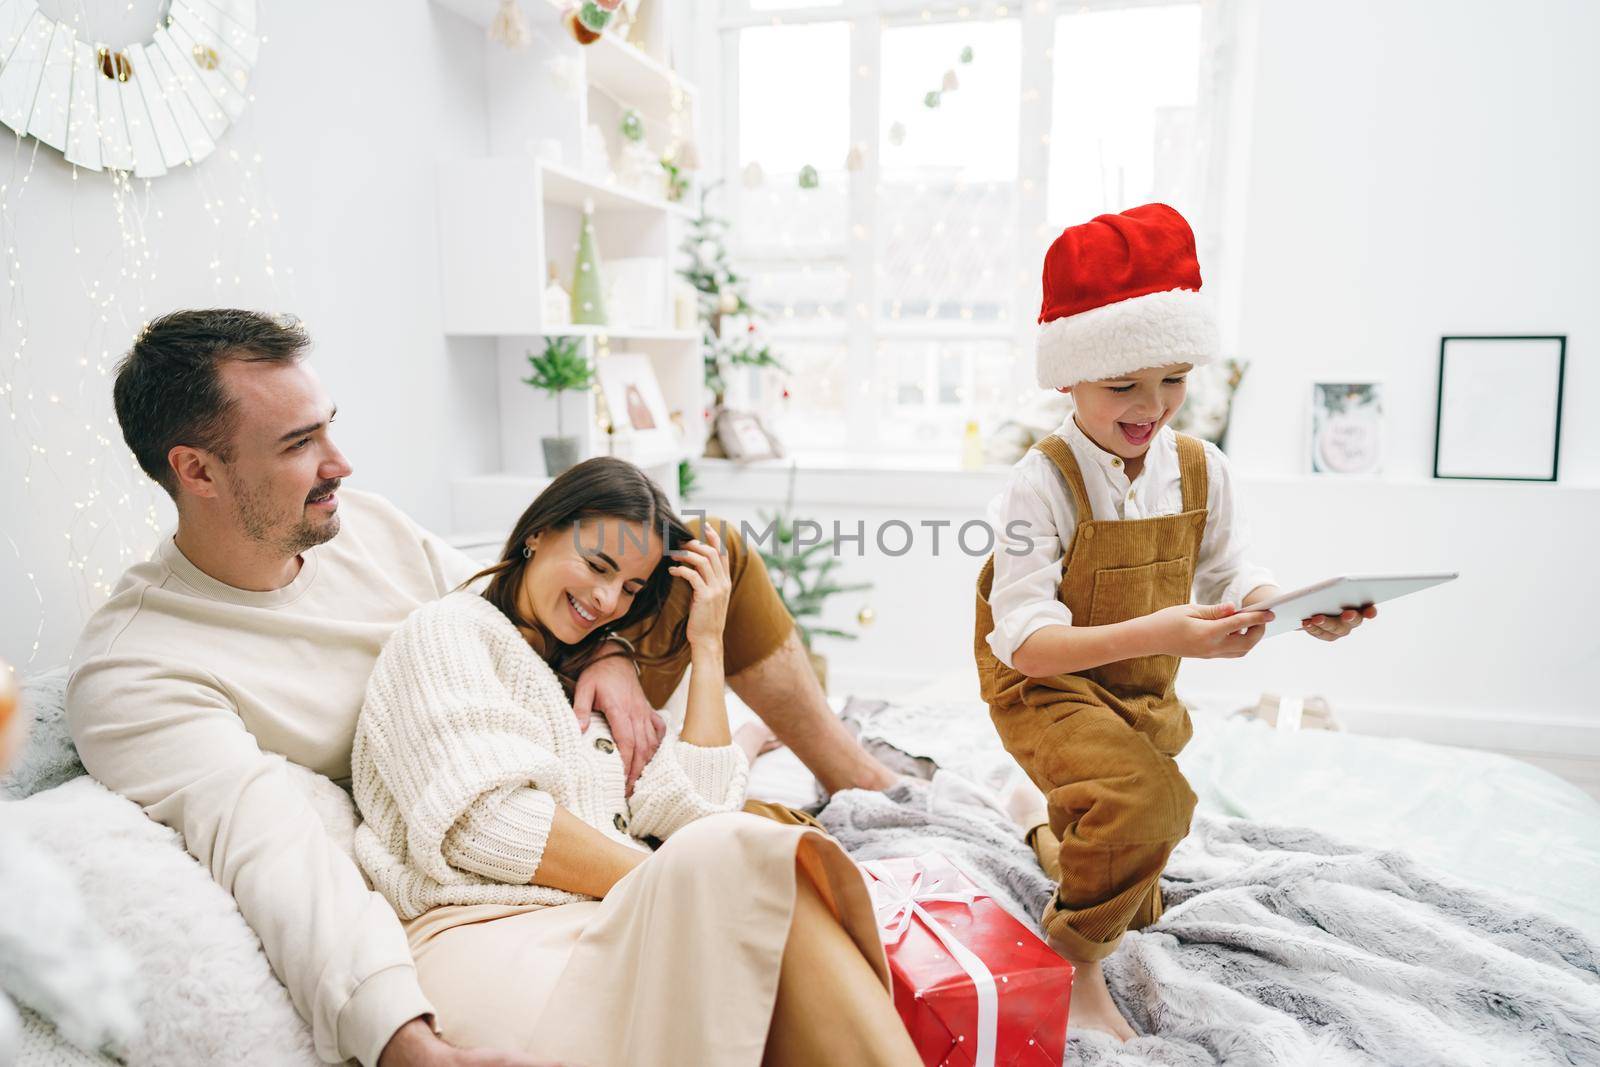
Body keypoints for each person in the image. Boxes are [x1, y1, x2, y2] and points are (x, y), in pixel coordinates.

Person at [66, 309, 897, 1067]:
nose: (340, 464)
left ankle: (861, 775)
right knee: (746, 868)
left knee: (712, 548)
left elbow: (507, 602)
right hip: (464, 836)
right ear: (196, 471)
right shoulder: (142, 665)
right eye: (297, 445)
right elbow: (271, 851)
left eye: (331, 428)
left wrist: (603, 648)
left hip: (529, 727)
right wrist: (397, 1037)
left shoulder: (367, 530)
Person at [352, 458, 920, 1066]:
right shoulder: (447, 633)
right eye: (598, 566)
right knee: (759, 873)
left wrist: (707, 644)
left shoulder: (581, 673)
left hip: (602, 922)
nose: (605, 600)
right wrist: (673, 880)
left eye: (628, 588)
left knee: (760, 902)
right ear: (537, 533)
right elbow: (484, 826)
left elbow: (694, 811)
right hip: (488, 936)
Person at [974, 204, 1375, 1040]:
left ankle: (1040, 822)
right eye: (1123, 384)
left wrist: (1291, 608)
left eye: (1173, 379)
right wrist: (1164, 631)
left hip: (1139, 688)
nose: (1152, 406)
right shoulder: (1036, 485)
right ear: (1069, 377)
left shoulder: (1200, 466)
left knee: (1136, 871)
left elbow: (1234, 571)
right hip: (1044, 685)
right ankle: (1075, 964)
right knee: (1150, 805)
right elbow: (1026, 641)